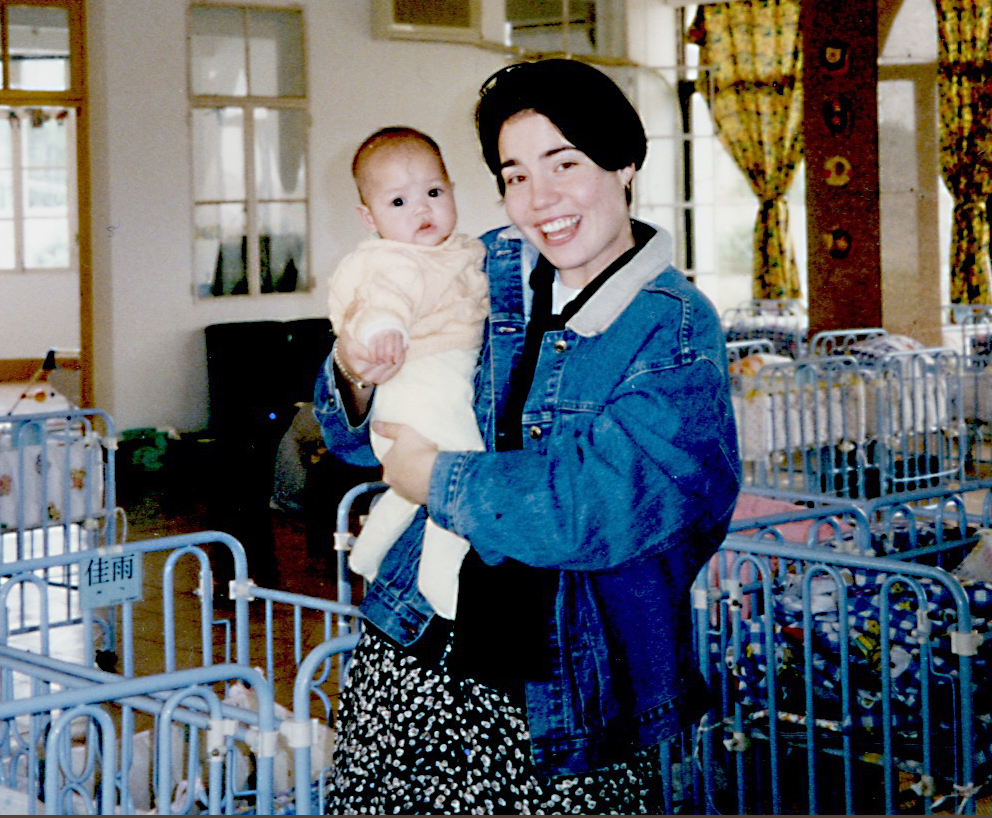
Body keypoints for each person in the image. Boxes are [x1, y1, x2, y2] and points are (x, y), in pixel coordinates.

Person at [315, 59, 740, 813]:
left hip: (566, 699)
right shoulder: (482, 269)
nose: (539, 199)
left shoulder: (672, 329)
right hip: (412, 652)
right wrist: (354, 370)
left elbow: (601, 506)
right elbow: (353, 442)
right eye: (514, 176)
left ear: (623, 162)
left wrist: (436, 478)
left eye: (563, 164)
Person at [326, 126, 488, 619]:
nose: (422, 210)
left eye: (434, 193)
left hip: (435, 386)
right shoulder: (396, 260)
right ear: (368, 217)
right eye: (399, 202)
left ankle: (369, 550)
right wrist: (385, 331)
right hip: (423, 382)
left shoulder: (455, 251)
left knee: (412, 483)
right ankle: (439, 578)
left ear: (453, 190)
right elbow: (381, 302)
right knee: (458, 469)